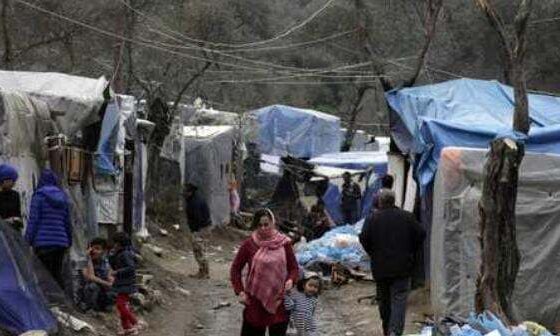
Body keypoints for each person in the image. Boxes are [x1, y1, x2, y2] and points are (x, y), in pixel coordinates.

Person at [359, 190, 426, 336]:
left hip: (380, 268)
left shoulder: (372, 219)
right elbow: (421, 234)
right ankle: (395, 332)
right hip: (403, 267)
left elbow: (363, 238)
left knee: (384, 301)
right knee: (399, 301)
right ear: (394, 201)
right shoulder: (407, 216)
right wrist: (411, 250)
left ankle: (386, 330)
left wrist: (373, 253)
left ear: (380, 202)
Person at [230, 208, 299, 336]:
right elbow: (235, 268)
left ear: (273, 223)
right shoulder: (249, 244)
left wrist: (290, 280)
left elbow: (294, 268)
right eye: (259, 225)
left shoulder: (284, 244)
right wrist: (240, 291)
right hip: (255, 301)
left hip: (279, 300)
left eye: (266, 224)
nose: (263, 228)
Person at [25, 169, 72, 288]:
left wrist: (27, 241)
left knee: (43, 276)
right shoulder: (63, 198)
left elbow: (33, 221)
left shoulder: (39, 196)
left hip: (43, 242)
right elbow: (67, 222)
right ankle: (61, 302)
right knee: (57, 273)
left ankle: (47, 303)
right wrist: (68, 241)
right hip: (61, 242)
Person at [110, 232, 141, 336]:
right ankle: (127, 327)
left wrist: (117, 272)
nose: (114, 245)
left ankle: (135, 322)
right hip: (121, 283)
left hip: (126, 284)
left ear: (120, 244)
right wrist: (112, 255)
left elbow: (131, 267)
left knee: (120, 305)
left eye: (115, 243)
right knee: (122, 305)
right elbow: (114, 265)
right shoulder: (119, 253)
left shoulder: (126, 253)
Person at [183, 183, 211, 279]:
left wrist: (195, 231)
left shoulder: (195, 202)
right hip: (203, 227)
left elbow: (197, 218)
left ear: (190, 192)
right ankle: (204, 271)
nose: (184, 193)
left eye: (186, 191)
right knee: (201, 250)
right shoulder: (195, 199)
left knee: (199, 250)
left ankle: (204, 272)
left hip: (200, 229)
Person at [79, 237, 114, 312]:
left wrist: (111, 281)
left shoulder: (104, 261)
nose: (94, 251)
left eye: (97, 249)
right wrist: (88, 258)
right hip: (84, 295)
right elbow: (89, 277)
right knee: (92, 286)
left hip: (101, 293)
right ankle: (89, 309)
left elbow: (109, 274)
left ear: (104, 251)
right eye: (92, 248)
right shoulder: (84, 260)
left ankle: (105, 307)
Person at [0, 164, 23, 232]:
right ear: (3, 181)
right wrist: (7, 221)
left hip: (14, 233)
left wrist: (18, 220)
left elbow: (18, 214)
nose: (13, 183)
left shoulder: (15, 195)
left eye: (13, 180)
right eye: (11, 180)